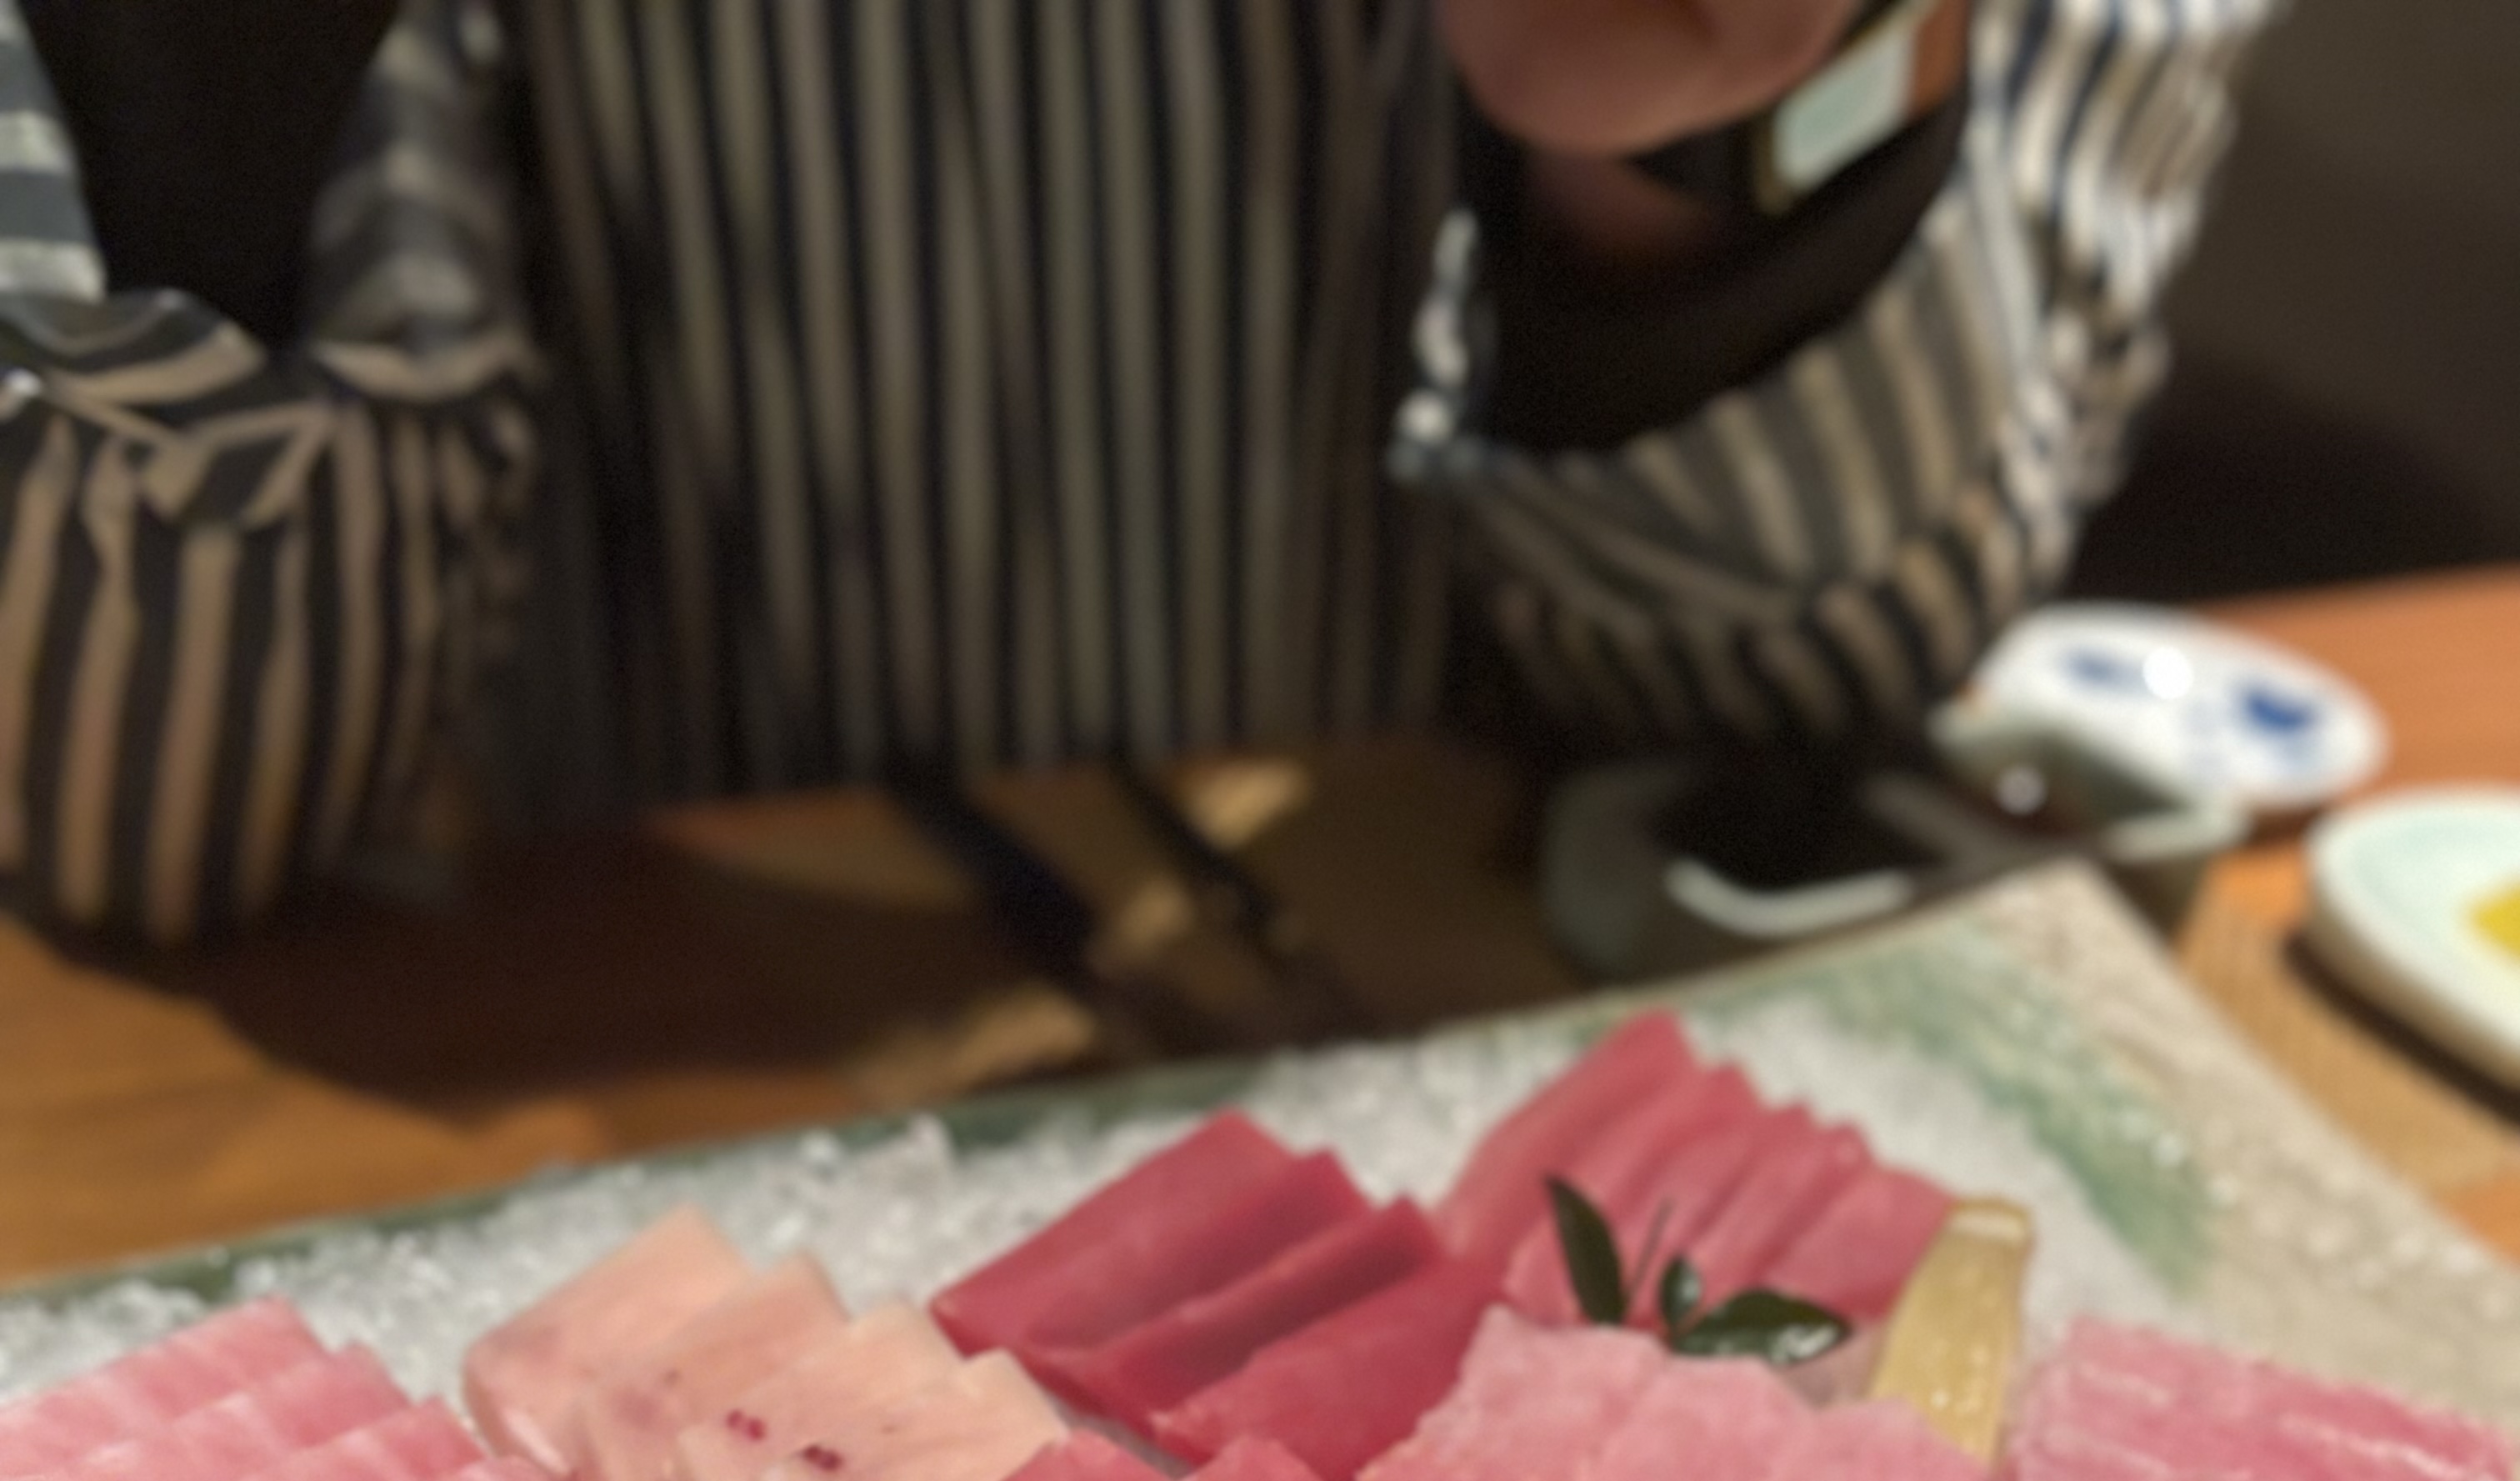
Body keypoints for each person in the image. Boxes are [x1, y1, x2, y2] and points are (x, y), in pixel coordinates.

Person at [0, 0, 2273, 940]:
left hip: (1480, 1000)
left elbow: (1818, 689)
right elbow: (154, 818)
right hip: (611, 1047)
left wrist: (1711, 135)